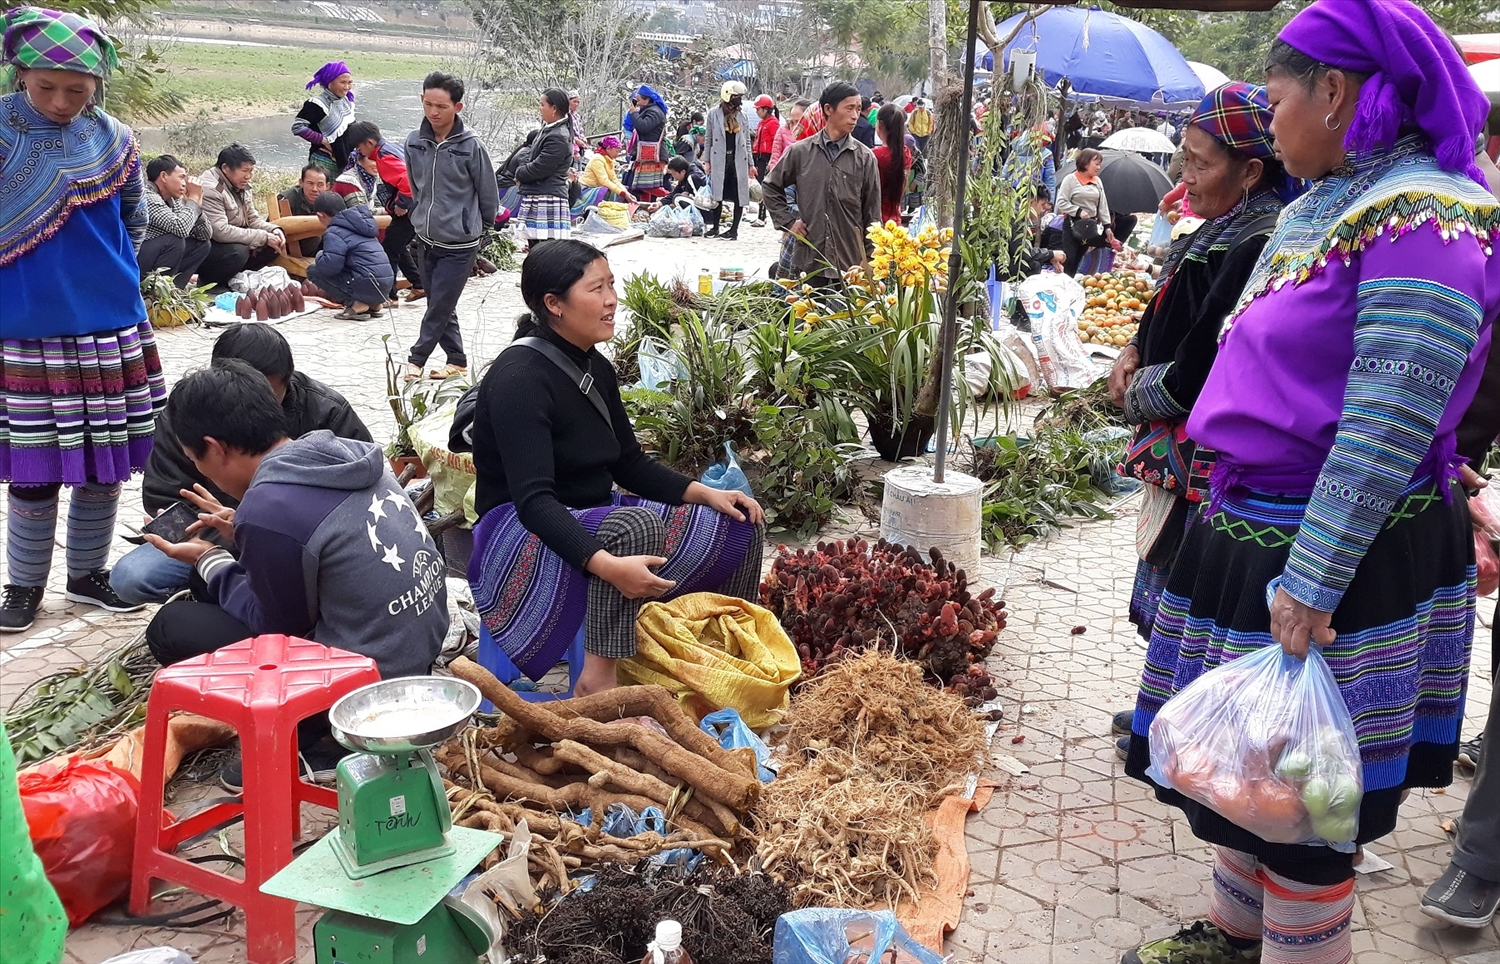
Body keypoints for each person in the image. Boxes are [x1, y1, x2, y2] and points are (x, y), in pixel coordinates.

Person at [1119, 2, 1500, 962]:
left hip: (1337, 553)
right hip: (1253, 525)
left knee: (1309, 800)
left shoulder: (1425, 218)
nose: (1268, 119)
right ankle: (1232, 930)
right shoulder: (1322, 201)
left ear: (1334, 94)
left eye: (1278, 98)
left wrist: (1313, 580)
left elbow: (1389, 415)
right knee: (1242, 767)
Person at [467, 240, 764, 699]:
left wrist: (709, 494)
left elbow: (629, 462)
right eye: (596, 288)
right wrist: (608, 567)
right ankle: (597, 680)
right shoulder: (519, 378)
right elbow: (533, 500)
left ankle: (718, 643)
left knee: (739, 521)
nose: (611, 300)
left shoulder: (594, 368)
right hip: (517, 526)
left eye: (612, 285)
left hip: (593, 509)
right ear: (554, 304)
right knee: (634, 526)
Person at [1104, 83, 1299, 754]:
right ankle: (1156, 713)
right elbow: (1165, 308)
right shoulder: (1225, 223)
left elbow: (1200, 368)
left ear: (1250, 171)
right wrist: (1132, 344)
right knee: (1165, 581)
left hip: (1204, 449)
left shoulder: (1260, 238)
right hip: (1175, 439)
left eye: (1198, 164)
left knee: (1185, 592)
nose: (1186, 178)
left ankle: (1174, 726)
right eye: (1183, 160)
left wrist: (1133, 393)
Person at [141, 361, 445, 786]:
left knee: (171, 626)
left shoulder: (271, 509)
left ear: (214, 447)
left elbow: (275, 627)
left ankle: (316, 739)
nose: (200, 470)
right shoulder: (339, 453)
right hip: (416, 654)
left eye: (195, 459)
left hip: (368, 686)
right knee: (211, 581)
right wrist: (241, 533)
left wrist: (208, 558)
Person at [0, 6, 166, 632]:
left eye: (77, 89)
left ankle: (88, 574)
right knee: (34, 467)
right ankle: (22, 586)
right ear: (20, 75)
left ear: (98, 85)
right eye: (46, 87)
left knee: (104, 461)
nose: (61, 100)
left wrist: (115, 277)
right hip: (23, 325)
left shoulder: (116, 139)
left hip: (108, 322)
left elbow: (134, 219)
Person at [110, 326, 371, 606]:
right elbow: (164, 497)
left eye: (268, 393)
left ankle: (232, 596)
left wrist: (260, 528)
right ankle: (215, 594)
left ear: (288, 379)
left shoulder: (326, 410)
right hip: (217, 537)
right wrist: (227, 531)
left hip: (298, 539)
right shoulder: (184, 418)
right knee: (130, 578)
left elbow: (356, 490)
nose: (253, 403)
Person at [404, 71, 498, 382]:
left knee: (440, 304)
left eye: (441, 106)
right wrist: (419, 217)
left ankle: (416, 359)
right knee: (439, 302)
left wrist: (477, 229)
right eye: (428, 104)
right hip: (426, 239)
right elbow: (416, 188)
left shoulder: (471, 146)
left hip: (460, 244)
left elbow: (488, 195)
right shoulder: (414, 142)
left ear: (458, 107)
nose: (433, 112)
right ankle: (456, 360)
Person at [762, 81, 882, 285]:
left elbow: (872, 213)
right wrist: (789, 222)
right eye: (849, 108)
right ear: (828, 109)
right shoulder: (801, 152)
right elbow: (771, 185)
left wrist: (870, 259)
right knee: (806, 315)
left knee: (843, 316)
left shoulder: (865, 158)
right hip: (808, 261)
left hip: (849, 264)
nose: (855, 115)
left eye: (858, 109)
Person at [344, 119, 420, 296]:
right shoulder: (394, 148)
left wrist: (402, 204)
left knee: (389, 250)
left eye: (360, 148)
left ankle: (389, 294)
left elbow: (407, 182)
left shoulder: (384, 157)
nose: (359, 152)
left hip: (408, 209)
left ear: (370, 143)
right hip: (417, 206)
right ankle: (419, 284)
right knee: (397, 246)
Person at [197, 143, 287, 288]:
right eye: (244, 170)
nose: (249, 176)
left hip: (234, 238)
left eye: (251, 171)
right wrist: (262, 237)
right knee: (238, 253)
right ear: (225, 168)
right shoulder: (211, 189)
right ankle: (212, 282)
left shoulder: (241, 184)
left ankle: (238, 277)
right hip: (210, 246)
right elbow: (220, 231)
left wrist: (273, 230)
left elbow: (252, 218)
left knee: (276, 242)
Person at [306, 191, 393, 320]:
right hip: (386, 285)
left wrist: (320, 255)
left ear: (320, 215)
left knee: (313, 271)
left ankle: (357, 304)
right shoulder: (361, 225)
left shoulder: (335, 231)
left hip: (368, 283)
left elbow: (330, 267)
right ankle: (375, 304)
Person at [508, 88, 574, 243]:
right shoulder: (548, 130)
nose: (540, 108)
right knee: (536, 246)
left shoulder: (558, 136)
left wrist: (519, 174)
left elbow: (541, 167)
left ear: (554, 108)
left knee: (544, 249)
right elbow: (530, 156)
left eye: (542, 104)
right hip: (539, 194)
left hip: (547, 197)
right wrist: (522, 171)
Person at [139, 153, 211, 289]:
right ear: (164, 176)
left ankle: (174, 290)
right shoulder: (146, 196)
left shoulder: (173, 199)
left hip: (156, 254)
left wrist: (197, 208)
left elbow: (205, 234)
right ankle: (154, 292)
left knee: (201, 245)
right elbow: (180, 228)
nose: (185, 183)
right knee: (175, 241)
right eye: (181, 177)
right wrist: (193, 200)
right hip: (134, 256)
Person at [704, 80, 753, 240]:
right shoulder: (713, 114)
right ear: (727, 95)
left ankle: (734, 230)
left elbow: (747, 141)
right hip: (719, 159)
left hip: (737, 159)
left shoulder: (742, 116)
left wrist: (750, 164)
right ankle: (716, 227)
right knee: (717, 194)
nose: (739, 99)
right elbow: (708, 138)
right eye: (736, 96)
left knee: (739, 195)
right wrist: (707, 161)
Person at [1055, 148, 1113, 276]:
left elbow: (1103, 205)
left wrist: (1107, 227)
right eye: (1096, 163)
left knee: (1078, 259)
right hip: (1072, 224)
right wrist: (1078, 211)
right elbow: (1062, 202)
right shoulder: (1070, 179)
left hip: (1089, 226)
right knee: (1069, 258)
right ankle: (1064, 282)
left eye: (1099, 164)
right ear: (1085, 163)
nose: (1099, 167)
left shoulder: (1097, 182)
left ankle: (1070, 284)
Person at [292, 61, 355, 177]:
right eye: (342, 82)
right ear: (330, 83)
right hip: (324, 160)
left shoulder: (345, 101)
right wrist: (323, 141)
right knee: (321, 193)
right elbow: (298, 127)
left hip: (344, 159)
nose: (347, 87)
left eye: (349, 82)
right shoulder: (317, 104)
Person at [275, 163, 328, 256]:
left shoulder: (330, 200)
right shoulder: (286, 199)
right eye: (310, 183)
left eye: (320, 185)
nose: (315, 189)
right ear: (301, 183)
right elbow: (272, 226)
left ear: (327, 186)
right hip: (290, 248)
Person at [627, 85, 669, 202]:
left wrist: (634, 113)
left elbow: (643, 126)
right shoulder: (650, 110)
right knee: (644, 187)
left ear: (647, 100)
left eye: (639, 100)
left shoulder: (654, 112)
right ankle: (645, 207)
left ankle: (669, 197)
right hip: (647, 155)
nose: (637, 103)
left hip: (654, 156)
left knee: (646, 186)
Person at [872, 103, 911, 225]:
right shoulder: (905, 153)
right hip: (895, 220)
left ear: (880, 125)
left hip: (875, 223)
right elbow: (903, 186)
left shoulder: (873, 155)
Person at [577, 134, 634, 210]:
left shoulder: (610, 160)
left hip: (596, 187)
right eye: (616, 151)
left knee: (623, 189)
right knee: (606, 190)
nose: (617, 154)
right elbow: (604, 181)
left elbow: (614, 179)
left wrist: (626, 193)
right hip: (587, 188)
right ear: (608, 148)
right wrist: (623, 193)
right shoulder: (597, 159)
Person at [749, 94, 780, 226]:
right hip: (759, 157)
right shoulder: (762, 123)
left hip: (766, 158)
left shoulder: (773, 123)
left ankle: (762, 217)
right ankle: (760, 216)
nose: (756, 111)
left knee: (764, 187)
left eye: (758, 109)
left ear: (766, 109)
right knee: (760, 186)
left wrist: (772, 161)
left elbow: (777, 143)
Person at [771, 99, 806, 172]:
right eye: (792, 122)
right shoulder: (782, 130)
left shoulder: (815, 137)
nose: (794, 127)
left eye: (798, 122)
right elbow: (775, 155)